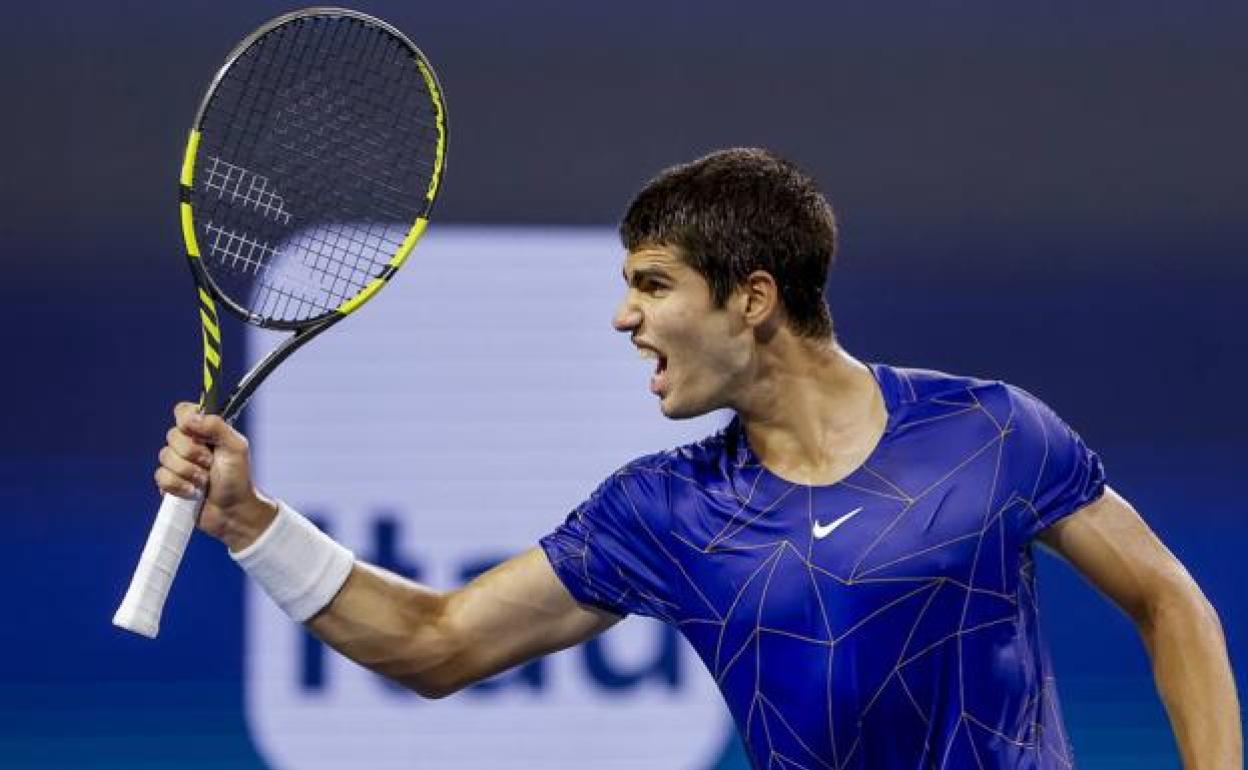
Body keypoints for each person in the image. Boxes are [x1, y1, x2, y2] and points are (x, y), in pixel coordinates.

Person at [154, 148, 1241, 769]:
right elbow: (435, 643)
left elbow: (1168, 598)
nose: (623, 317)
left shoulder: (991, 430)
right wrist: (252, 521)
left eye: (653, 283)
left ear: (753, 297)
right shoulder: (662, 512)